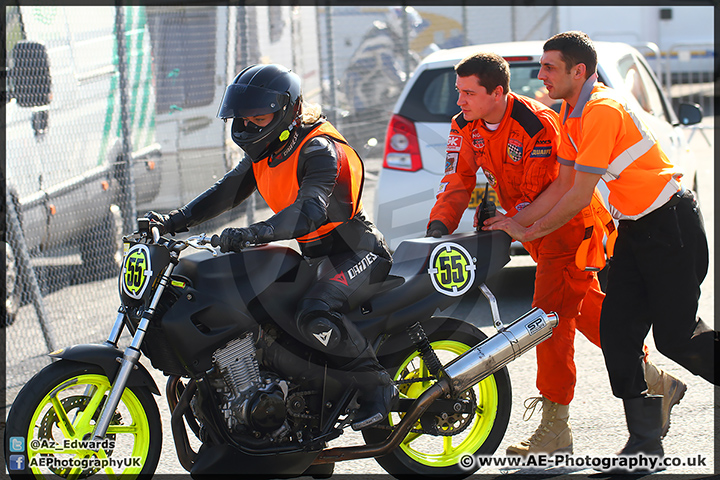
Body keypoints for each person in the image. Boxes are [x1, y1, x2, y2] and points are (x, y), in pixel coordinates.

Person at [426, 52, 686, 457]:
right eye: (459, 92)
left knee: (547, 323)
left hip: (567, 231)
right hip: (533, 231)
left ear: (498, 92)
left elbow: (549, 193)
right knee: (586, 313)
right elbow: (459, 178)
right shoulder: (465, 125)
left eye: (467, 93)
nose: (458, 102)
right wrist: (439, 227)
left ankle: (556, 428)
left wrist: (507, 216)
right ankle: (656, 380)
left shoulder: (538, 124)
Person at [484, 32, 717, 462]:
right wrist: (521, 221)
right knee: (616, 333)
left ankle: (649, 426)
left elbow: (578, 196)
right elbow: (564, 184)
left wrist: (531, 232)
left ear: (579, 70)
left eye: (549, 67)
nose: (540, 75)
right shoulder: (571, 113)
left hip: (671, 226)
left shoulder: (603, 110)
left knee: (675, 338)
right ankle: (644, 444)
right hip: (635, 231)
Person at [146, 63, 397, 431]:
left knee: (315, 312)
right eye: (242, 119)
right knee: (263, 318)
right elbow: (223, 193)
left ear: (289, 111)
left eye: (258, 118)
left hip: (357, 252)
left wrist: (253, 233)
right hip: (315, 257)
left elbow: (309, 211)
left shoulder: (319, 149)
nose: (247, 127)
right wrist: (171, 222)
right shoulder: (267, 150)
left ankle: (376, 386)